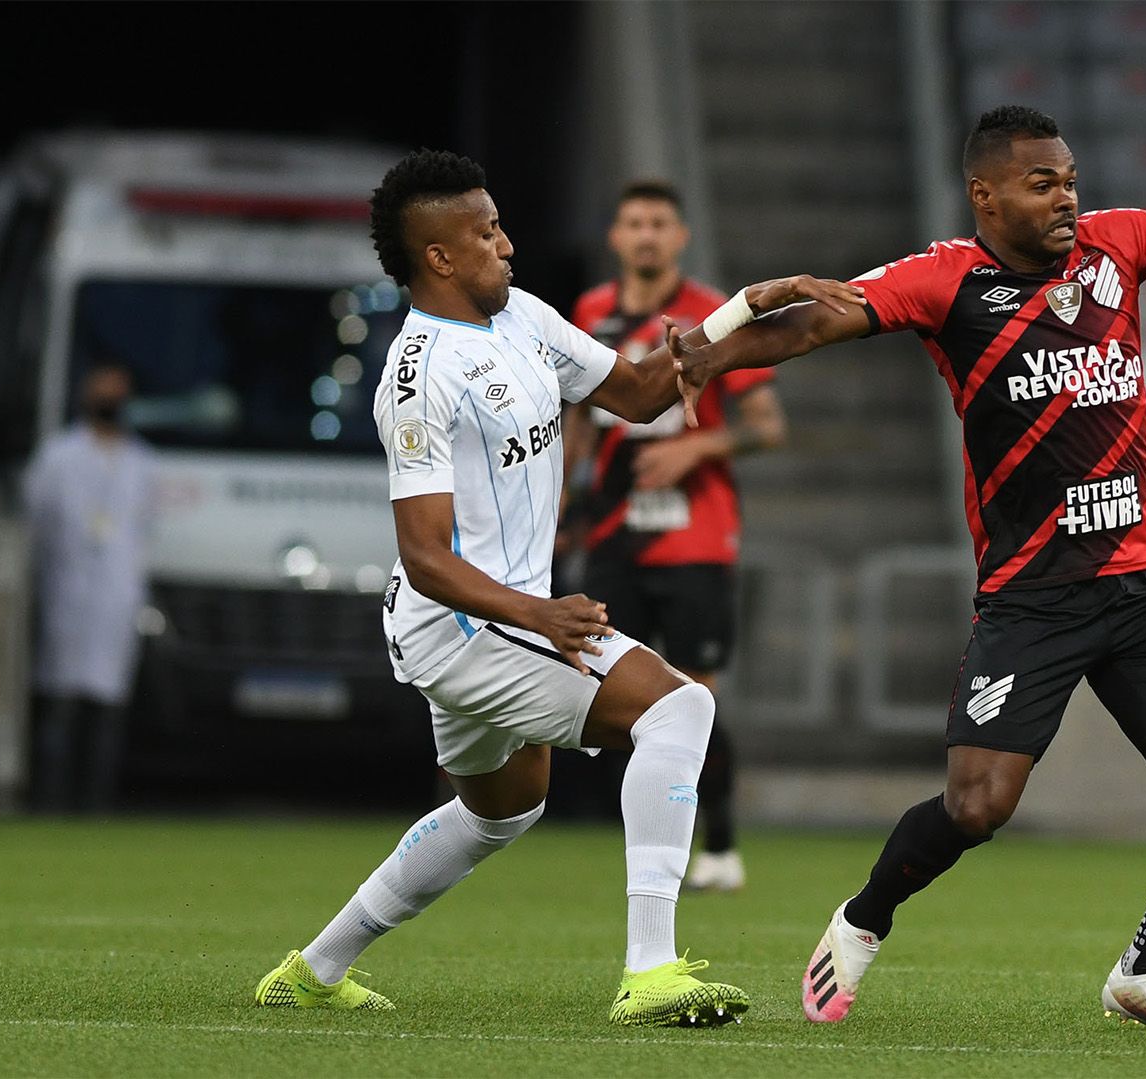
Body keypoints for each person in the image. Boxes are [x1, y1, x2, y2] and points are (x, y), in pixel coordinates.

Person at [670, 106, 1146, 1032]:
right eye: (1042, 183)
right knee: (977, 806)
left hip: (1145, 583)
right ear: (986, 193)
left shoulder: (1120, 244)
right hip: (1032, 598)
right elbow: (822, 320)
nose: (1067, 197)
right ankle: (861, 921)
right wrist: (716, 352)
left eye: (1070, 180)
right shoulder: (946, 279)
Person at [250, 149, 861, 1025]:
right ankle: (649, 971)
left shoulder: (524, 318)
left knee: (500, 811)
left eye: (500, 223)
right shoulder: (417, 378)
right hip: (462, 622)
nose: (507, 241)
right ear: (440, 258)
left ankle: (313, 969)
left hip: (493, 617)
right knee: (679, 707)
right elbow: (425, 553)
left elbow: (647, 392)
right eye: (486, 230)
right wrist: (539, 611)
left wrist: (741, 311)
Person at [561, 181, 787, 891]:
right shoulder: (591, 313)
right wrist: (561, 496)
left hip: (696, 537)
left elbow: (767, 424)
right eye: (635, 223)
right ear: (615, 238)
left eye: (660, 223)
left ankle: (719, 843)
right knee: (604, 687)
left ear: (681, 235)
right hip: (611, 530)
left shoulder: (712, 316)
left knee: (695, 690)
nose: (647, 235)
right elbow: (577, 418)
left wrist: (695, 448)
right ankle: (637, 838)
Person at [23, 364, 155, 812]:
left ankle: (96, 806)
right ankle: (49, 804)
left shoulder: (141, 463)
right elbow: (35, 522)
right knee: (59, 711)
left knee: (107, 714)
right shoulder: (58, 456)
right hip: (67, 595)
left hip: (115, 601)